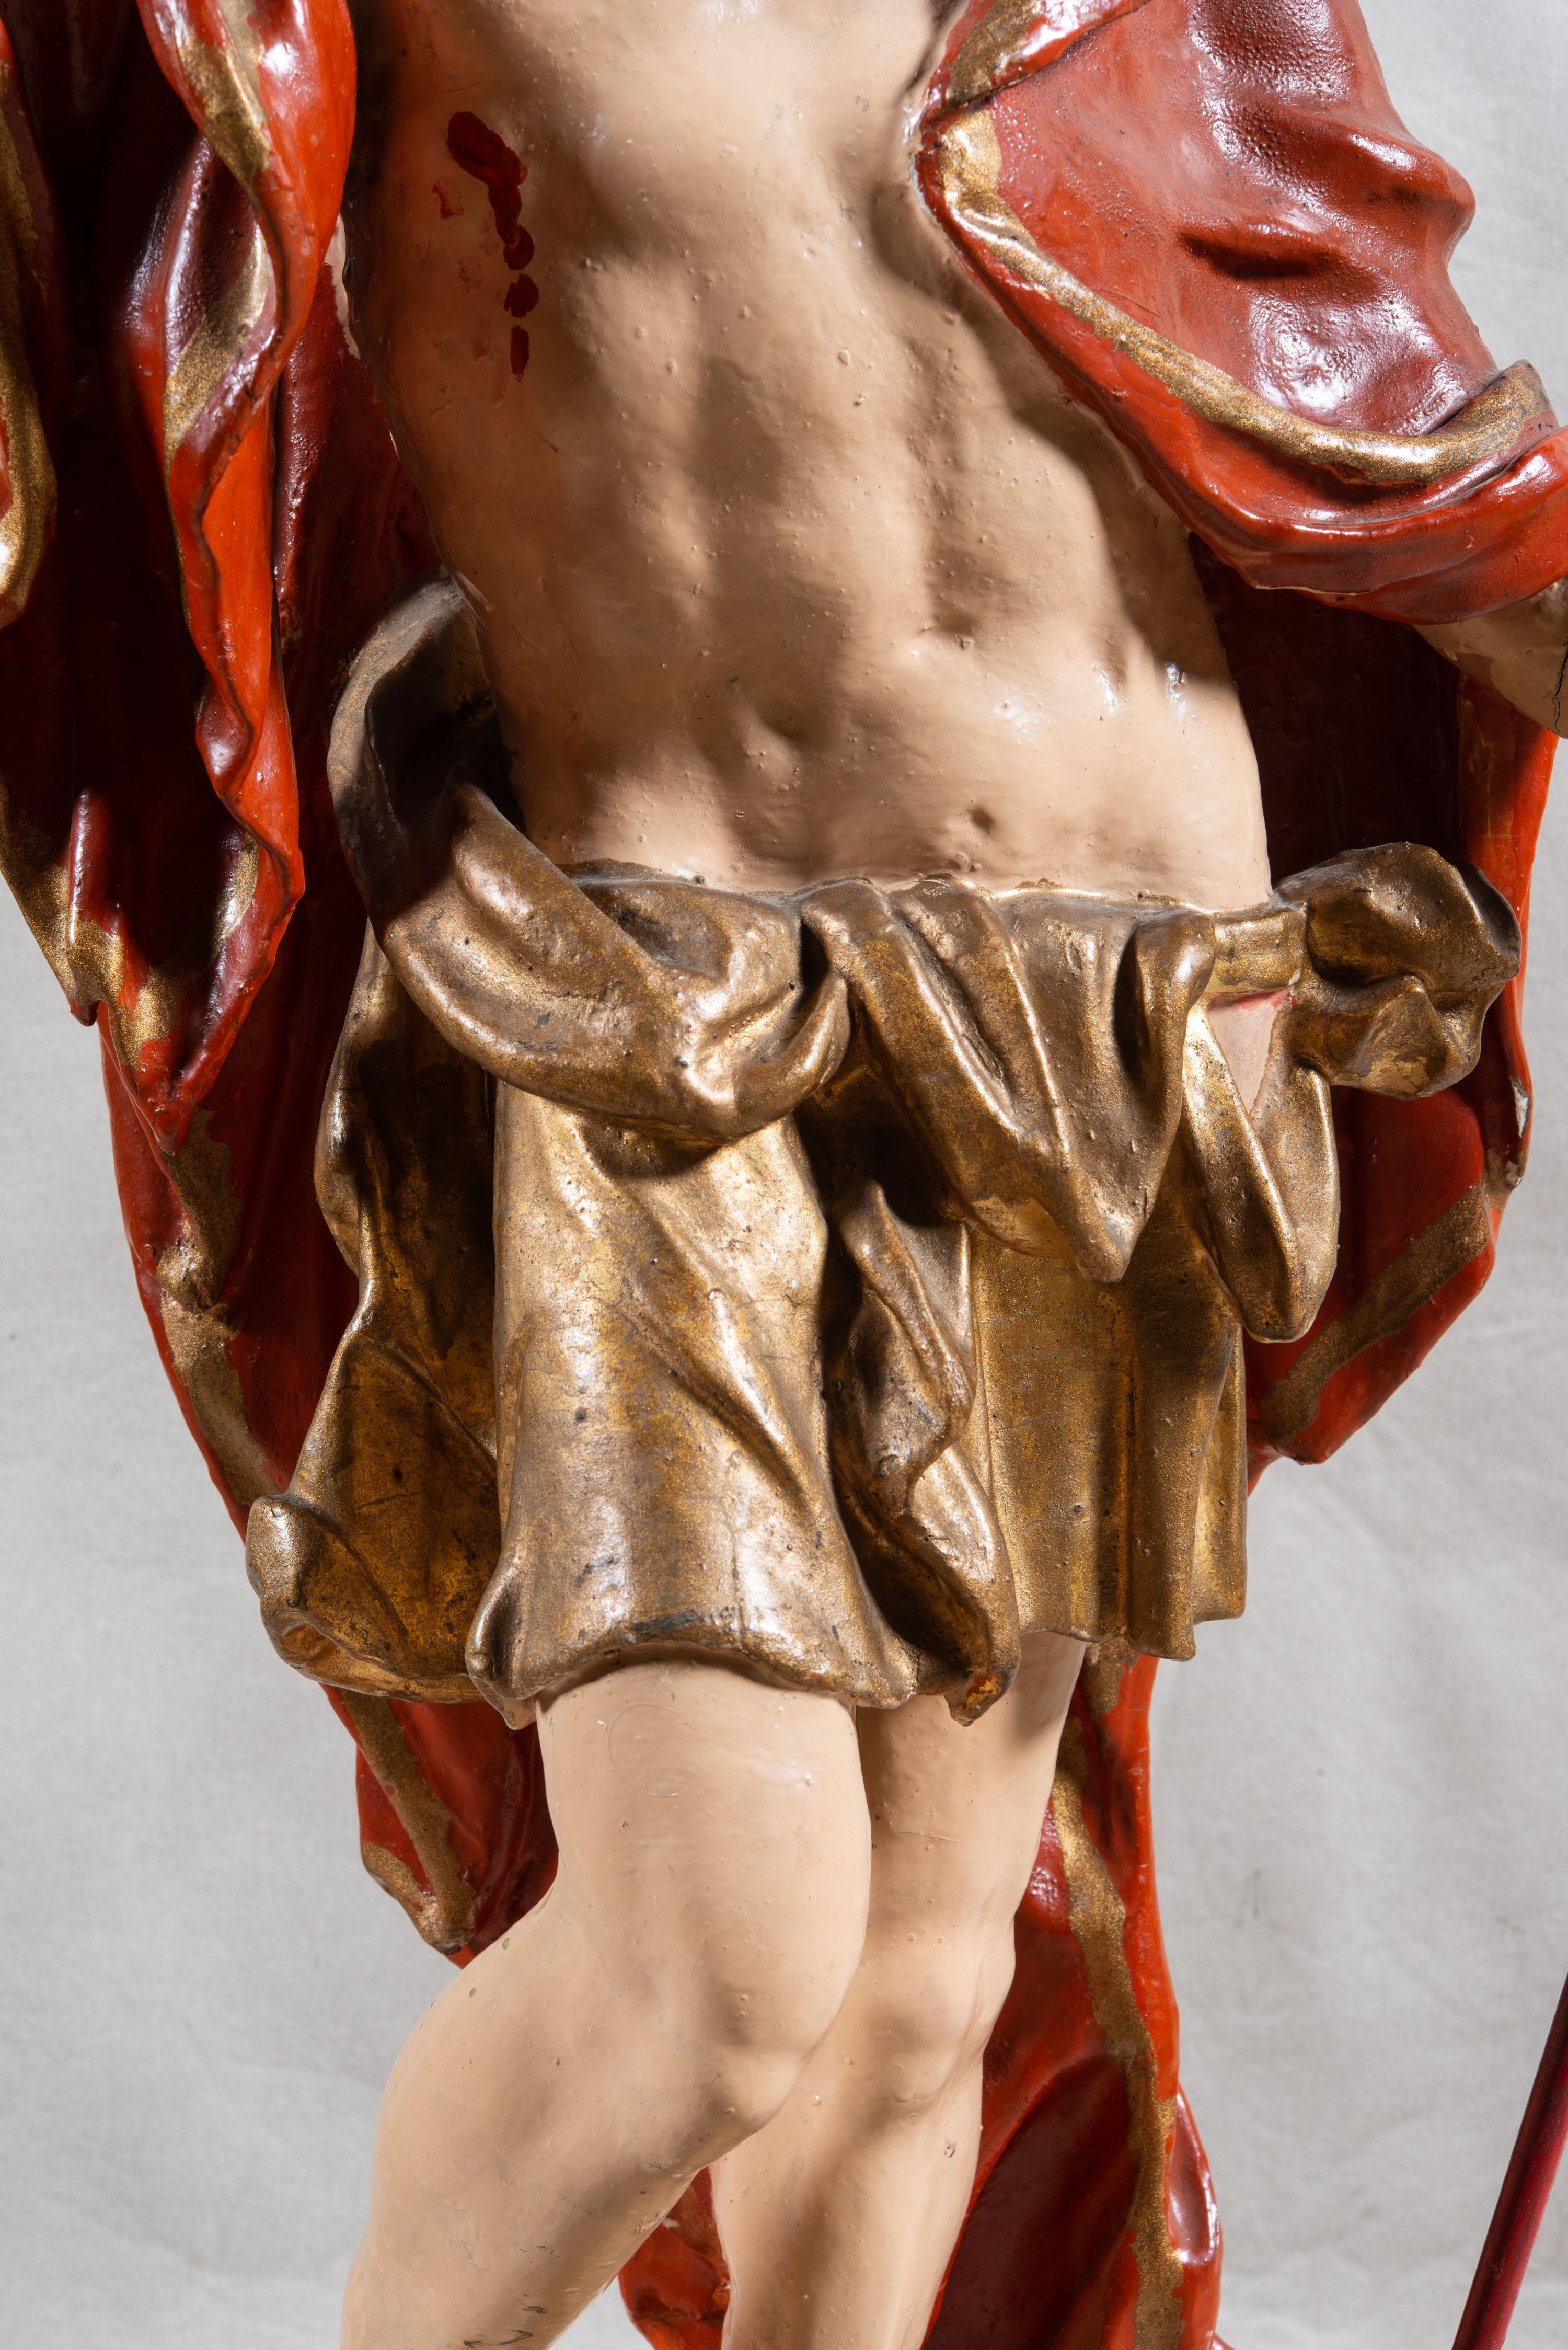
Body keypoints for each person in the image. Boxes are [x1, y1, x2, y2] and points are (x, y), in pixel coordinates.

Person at [0, 4, 1563, 2347]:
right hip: (665, 1014)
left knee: (919, 1994)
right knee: (712, 1962)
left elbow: (1367, 414)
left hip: (1121, 1008)